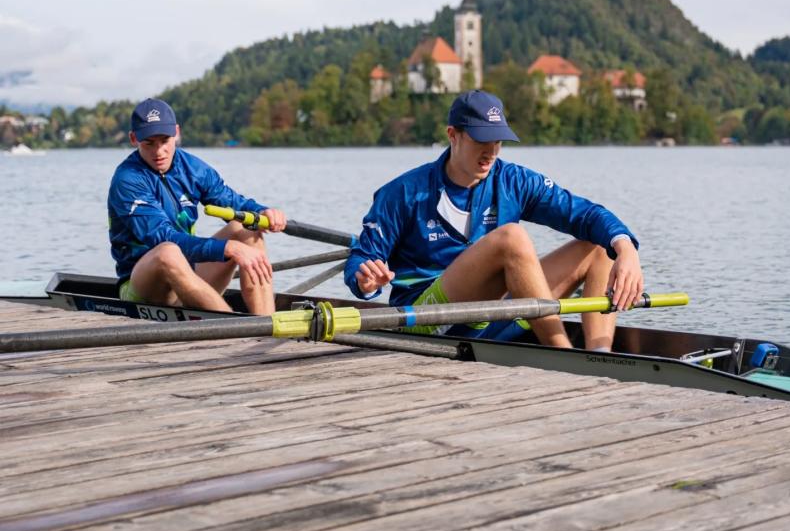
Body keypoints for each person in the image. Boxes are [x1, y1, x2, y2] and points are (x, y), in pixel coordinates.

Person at [344, 90, 643, 350]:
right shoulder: (403, 193)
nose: (491, 151)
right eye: (481, 139)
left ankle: (600, 354)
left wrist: (626, 247)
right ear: (453, 135)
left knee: (601, 243)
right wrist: (366, 280)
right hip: (426, 321)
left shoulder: (513, 181)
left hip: (493, 315)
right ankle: (564, 354)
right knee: (511, 238)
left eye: (498, 140)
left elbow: (585, 213)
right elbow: (364, 257)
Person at [107, 98, 287, 314]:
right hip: (142, 289)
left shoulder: (193, 168)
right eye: (149, 143)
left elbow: (234, 202)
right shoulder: (127, 179)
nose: (159, 152)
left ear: (176, 132)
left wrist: (263, 211)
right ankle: (234, 329)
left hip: (189, 275)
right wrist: (228, 248)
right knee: (167, 252)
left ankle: (266, 323)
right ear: (133, 138)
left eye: (165, 141)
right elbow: (163, 236)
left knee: (246, 229)